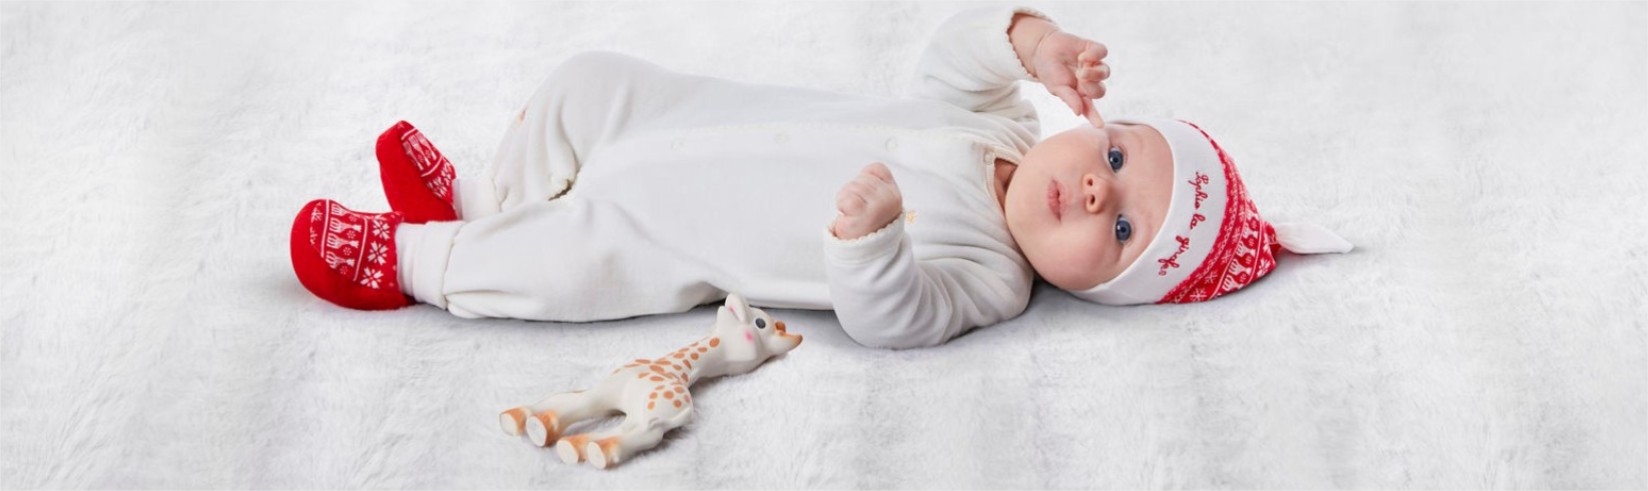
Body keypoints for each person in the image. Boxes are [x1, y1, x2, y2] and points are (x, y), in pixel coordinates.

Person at [289, 6, 1351, 349]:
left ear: (1103, 287)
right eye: (1114, 158)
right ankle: (485, 201)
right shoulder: (996, 122)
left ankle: (421, 261)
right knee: (589, 81)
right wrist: (1031, 42)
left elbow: (898, 318)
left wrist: (872, 239)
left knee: (569, 266)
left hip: (676, 232)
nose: (1092, 192)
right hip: (683, 120)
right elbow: (955, 53)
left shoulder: (992, 276)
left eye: (1118, 232)